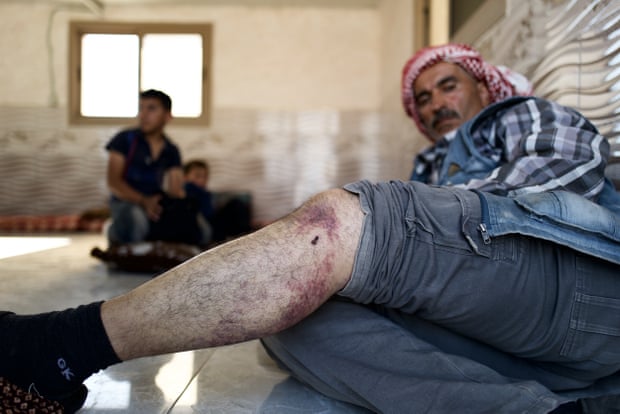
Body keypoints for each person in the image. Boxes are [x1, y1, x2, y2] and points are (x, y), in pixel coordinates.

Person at [1, 43, 619, 414]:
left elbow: (556, 188)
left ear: (484, 84)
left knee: (336, 224)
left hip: (589, 293)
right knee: (292, 316)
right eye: (423, 100)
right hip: (544, 354)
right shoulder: (432, 162)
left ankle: (59, 346)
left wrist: (370, 234)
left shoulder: (521, 116)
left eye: (447, 86)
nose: (434, 105)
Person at [105, 89, 185, 245]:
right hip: (125, 202)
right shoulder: (124, 140)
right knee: (137, 221)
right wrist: (143, 201)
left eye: (151, 108)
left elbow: (176, 190)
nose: (143, 114)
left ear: (168, 116)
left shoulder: (171, 149)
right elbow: (113, 182)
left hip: (154, 204)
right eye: (141, 108)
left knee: (200, 228)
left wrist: (178, 208)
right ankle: (115, 233)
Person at [184, 159, 253, 244]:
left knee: (240, 202)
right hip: (205, 226)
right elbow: (208, 212)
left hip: (212, 224)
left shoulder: (205, 193)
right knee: (237, 205)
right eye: (197, 176)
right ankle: (248, 235)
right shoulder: (187, 189)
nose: (202, 180)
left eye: (205, 177)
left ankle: (248, 233)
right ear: (185, 177)